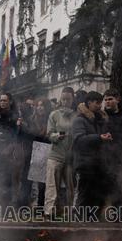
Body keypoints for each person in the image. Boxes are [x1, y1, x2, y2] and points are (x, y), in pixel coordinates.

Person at [70, 90, 113, 211]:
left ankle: (92, 225)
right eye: (97, 103)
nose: (100, 106)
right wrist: (99, 137)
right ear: (89, 103)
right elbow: (79, 140)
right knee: (83, 196)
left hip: (97, 165)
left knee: (96, 197)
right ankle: (77, 224)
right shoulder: (79, 120)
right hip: (84, 165)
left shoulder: (99, 119)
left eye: (101, 103)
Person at [44, 87, 78, 216]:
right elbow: (49, 133)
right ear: (60, 99)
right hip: (55, 155)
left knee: (70, 187)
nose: (65, 102)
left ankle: (69, 212)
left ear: (72, 99)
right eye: (63, 99)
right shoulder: (54, 114)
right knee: (52, 186)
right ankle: (49, 212)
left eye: (68, 99)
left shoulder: (76, 115)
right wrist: (57, 136)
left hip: (70, 157)